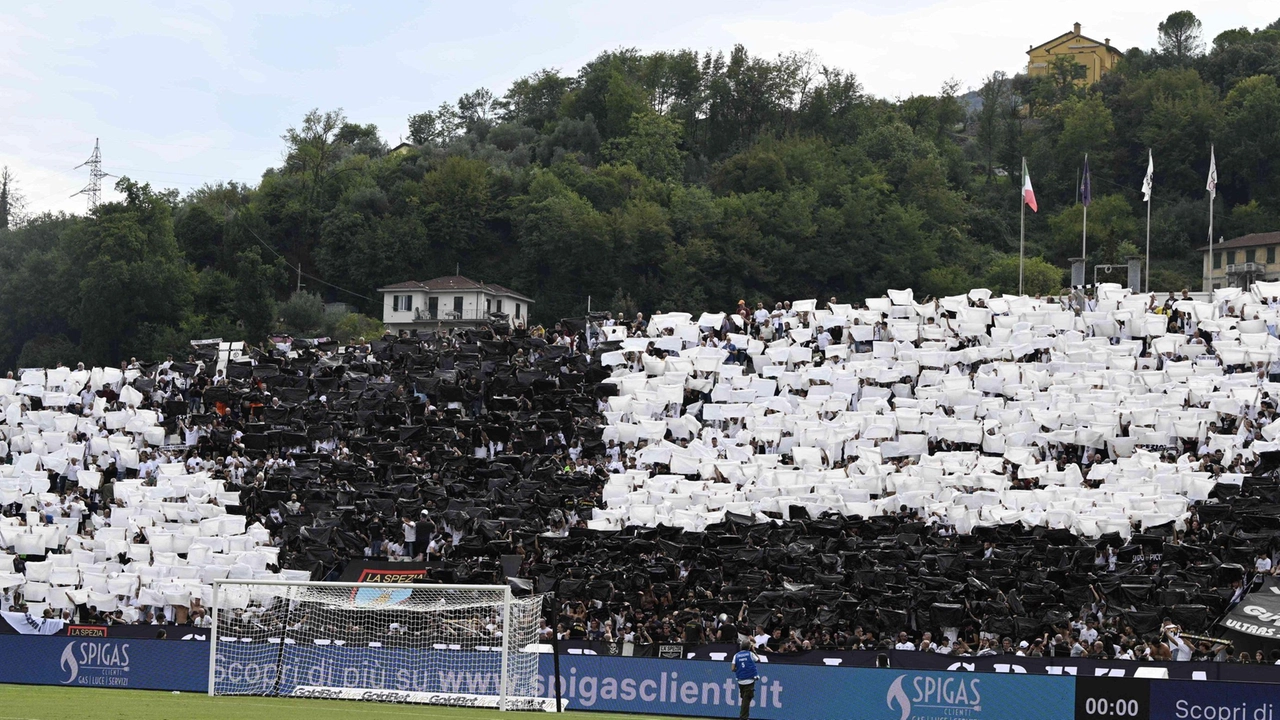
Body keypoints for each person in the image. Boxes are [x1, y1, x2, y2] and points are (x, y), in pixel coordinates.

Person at [730, 639, 760, 720]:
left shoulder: (736, 655)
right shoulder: (750, 654)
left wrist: (740, 669)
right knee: (746, 700)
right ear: (749, 647)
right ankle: (743, 717)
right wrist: (754, 651)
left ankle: (744, 717)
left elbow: (732, 668)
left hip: (740, 680)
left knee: (745, 698)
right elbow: (758, 659)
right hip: (750, 680)